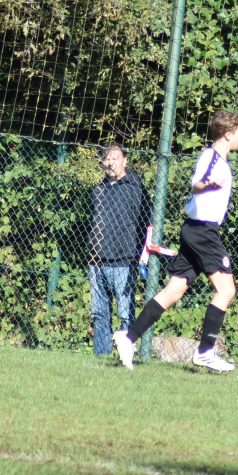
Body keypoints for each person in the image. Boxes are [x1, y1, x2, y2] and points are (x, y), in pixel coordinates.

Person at [112, 109, 238, 373]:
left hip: (196, 230)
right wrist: (208, 184)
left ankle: (128, 338)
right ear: (228, 134)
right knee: (226, 290)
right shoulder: (211, 157)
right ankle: (205, 352)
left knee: (174, 290)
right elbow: (196, 184)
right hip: (203, 232)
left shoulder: (219, 159)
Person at [86, 144, 149, 358]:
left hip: (124, 260)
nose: (111, 163)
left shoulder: (135, 188)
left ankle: (126, 356)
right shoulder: (99, 190)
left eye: (115, 158)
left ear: (125, 161)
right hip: (97, 261)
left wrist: (142, 253)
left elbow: (147, 222)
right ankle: (101, 357)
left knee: (125, 314)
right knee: (99, 313)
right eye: (107, 159)